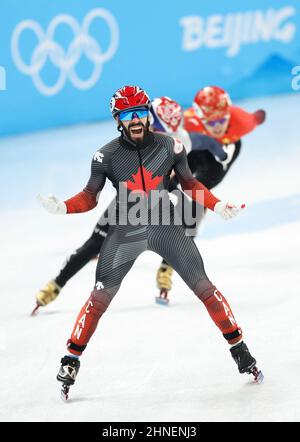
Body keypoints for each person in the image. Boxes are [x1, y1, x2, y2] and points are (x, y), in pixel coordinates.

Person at [38, 85, 262, 398]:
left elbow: (190, 183)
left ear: (148, 115)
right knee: (99, 298)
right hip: (125, 229)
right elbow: (90, 197)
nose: (136, 120)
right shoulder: (105, 155)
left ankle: (241, 351)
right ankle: (70, 359)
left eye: (140, 113)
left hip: (165, 226)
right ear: (118, 118)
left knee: (206, 289)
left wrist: (217, 205)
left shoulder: (172, 146)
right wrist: (63, 207)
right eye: (128, 115)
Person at [33, 96, 228, 310]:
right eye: (161, 131)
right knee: (94, 245)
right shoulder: (131, 144)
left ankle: (166, 268)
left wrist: (220, 152)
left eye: (171, 133)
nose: (166, 139)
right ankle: (57, 283)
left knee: (188, 211)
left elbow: (202, 141)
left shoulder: (179, 140)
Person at [156, 86, 266, 301]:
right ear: (198, 116)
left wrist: (259, 116)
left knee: (195, 207)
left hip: (220, 157)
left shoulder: (242, 121)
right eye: (211, 122)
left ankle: (166, 267)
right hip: (198, 147)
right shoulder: (188, 122)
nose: (217, 126)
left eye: (221, 121)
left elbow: (258, 117)